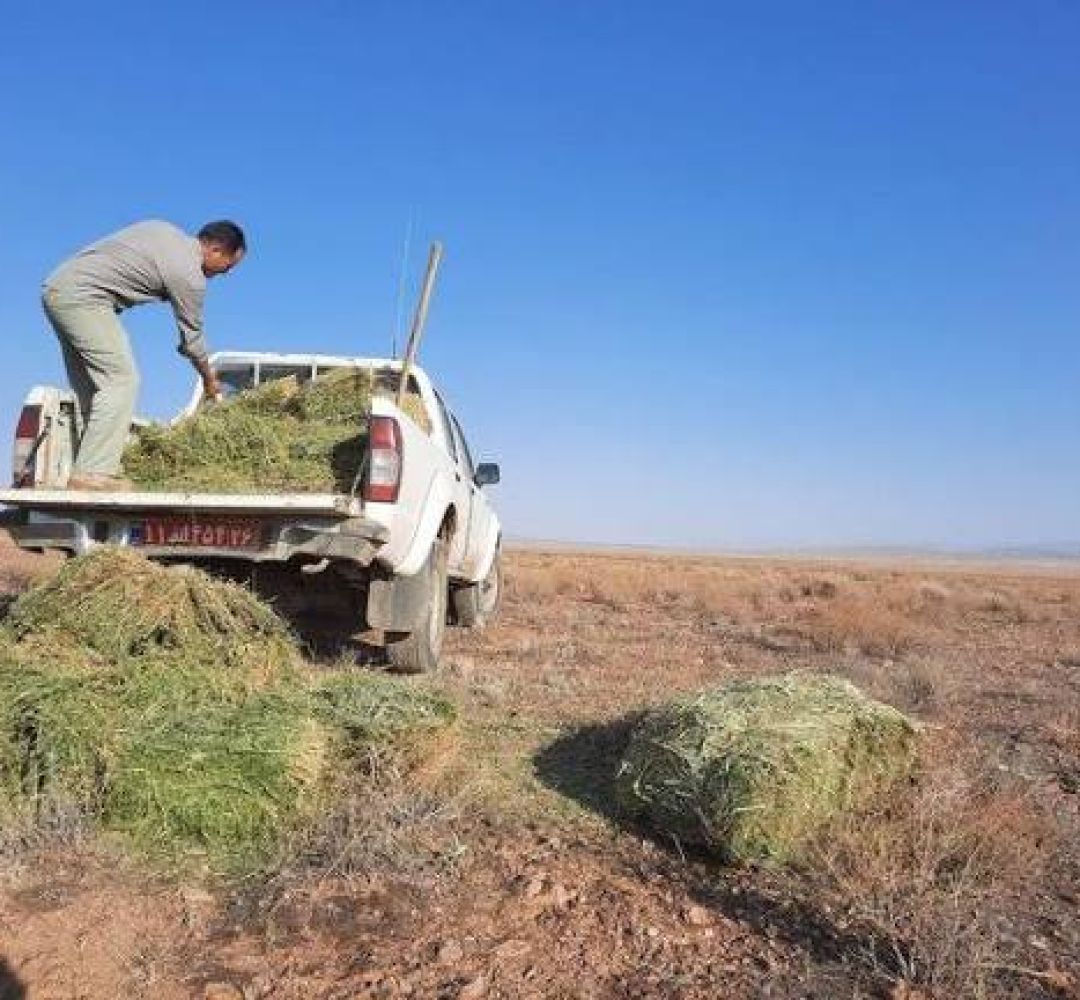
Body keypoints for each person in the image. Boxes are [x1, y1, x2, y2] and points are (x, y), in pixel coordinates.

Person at [42, 219, 246, 490]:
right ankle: (92, 474)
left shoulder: (162, 229)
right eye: (228, 267)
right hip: (86, 300)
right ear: (217, 250)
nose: (225, 274)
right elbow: (192, 340)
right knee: (122, 380)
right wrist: (209, 379)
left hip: (58, 288)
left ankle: (87, 468)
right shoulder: (189, 276)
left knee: (94, 390)